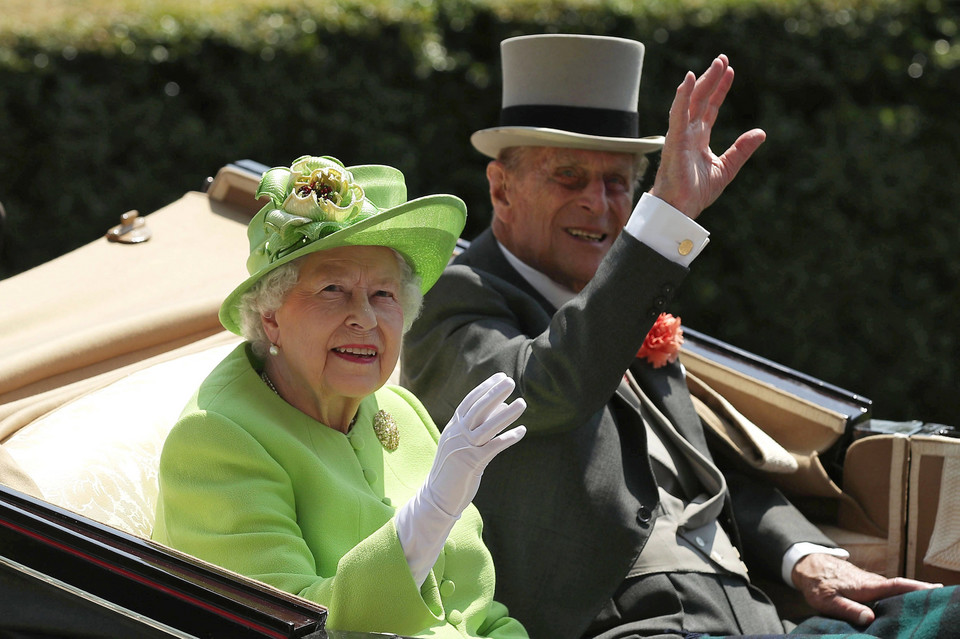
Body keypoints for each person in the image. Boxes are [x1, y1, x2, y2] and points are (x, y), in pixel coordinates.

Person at [401, 34, 944, 638]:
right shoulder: (453, 299)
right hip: (629, 624)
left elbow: (698, 463)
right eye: (568, 176)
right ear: (501, 189)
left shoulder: (621, 300)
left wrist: (804, 558)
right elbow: (542, 392)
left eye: (617, 183)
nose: (600, 205)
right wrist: (665, 224)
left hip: (760, 618)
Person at [152, 155, 530, 638]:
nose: (366, 320)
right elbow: (300, 625)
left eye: (383, 295)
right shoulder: (215, 440)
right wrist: (431, 512)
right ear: (271, 316)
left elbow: (480, 612)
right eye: (333, 289)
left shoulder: (401, 412)